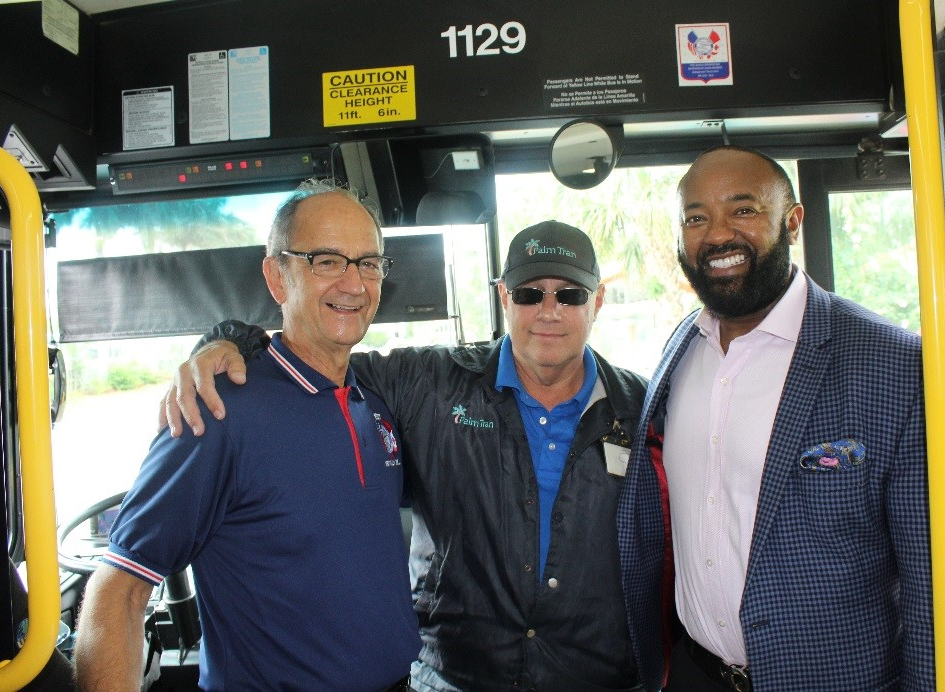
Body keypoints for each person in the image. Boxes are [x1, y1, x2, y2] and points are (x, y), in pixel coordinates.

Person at [161, 220, 656, 691]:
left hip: (598, 679)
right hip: (452, 677)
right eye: (529, 294)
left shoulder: (645, 409)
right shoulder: (426, 384)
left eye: (570, 295)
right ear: (504, 297)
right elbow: (314, 360)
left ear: (597, 301)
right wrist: (229, 340)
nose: (549, 311)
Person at [616, 145, 945, 691]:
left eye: (743, 209)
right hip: (695, 674)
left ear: (793, 221)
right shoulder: (681, 348)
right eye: (696, 217)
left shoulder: (901, 368)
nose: (718, 234)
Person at [73, 181, 421, 691]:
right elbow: (119, 590)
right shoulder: (217, 410)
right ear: (277, 277)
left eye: (368, 263)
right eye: (326, 261)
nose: (354, 284)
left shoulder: (377, 398)